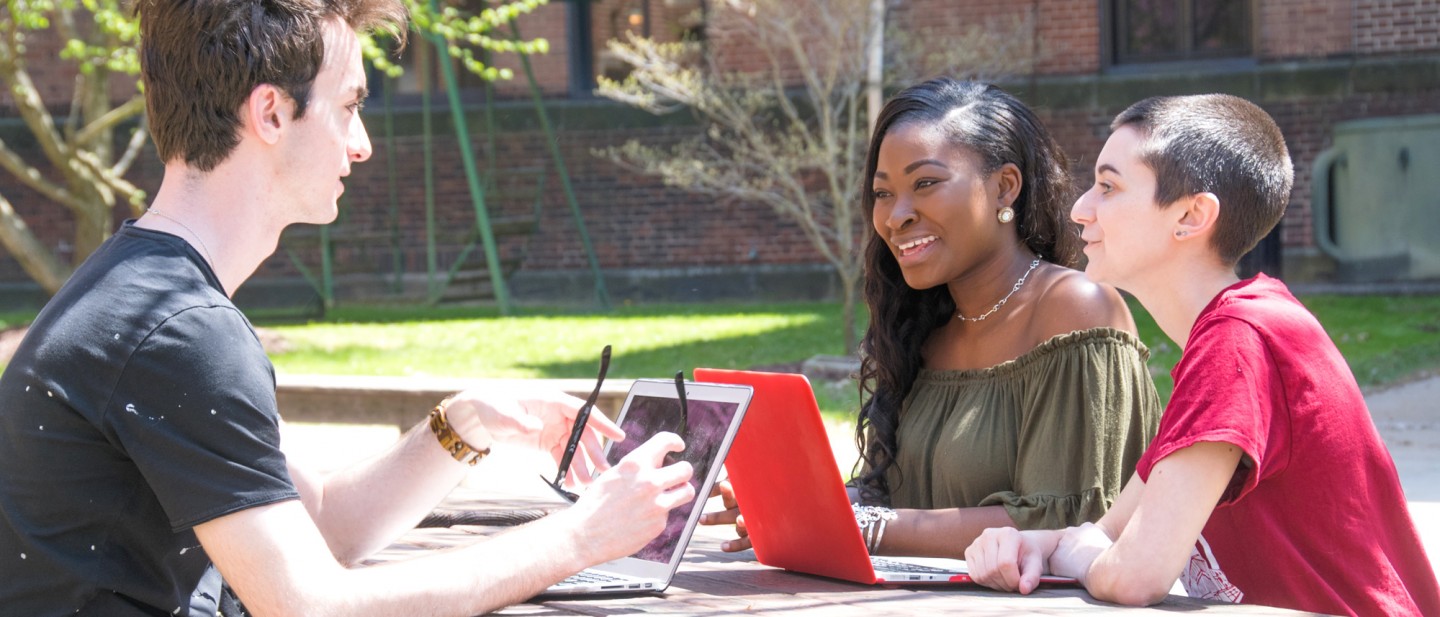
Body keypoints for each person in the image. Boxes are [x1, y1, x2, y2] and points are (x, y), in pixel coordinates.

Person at [0, 2, 695, 615]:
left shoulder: (143, 293)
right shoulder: (179, 334)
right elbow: (310, 605)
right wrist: (578, 537)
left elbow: (325, 523)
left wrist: (465, 422)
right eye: (350, 107)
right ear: (271, 111)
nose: (362, 145)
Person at [964, 94, 1440, 616]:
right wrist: (1036, 546)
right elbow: (1105, 535)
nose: (1081, 208)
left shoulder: (1239, 340)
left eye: (1108, 186)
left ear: (1191, 216)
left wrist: (1079, 558)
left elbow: (1133, 574)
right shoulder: (1232, 334)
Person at [704, 79, 1161, 556]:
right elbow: (892, 500)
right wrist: (794, 508)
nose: (896, 216)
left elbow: (1066, 521)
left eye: (925, 184)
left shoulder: (1076, 310)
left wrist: (862, 527)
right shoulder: (924, 327)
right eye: (883, 193)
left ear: (1004, 187)